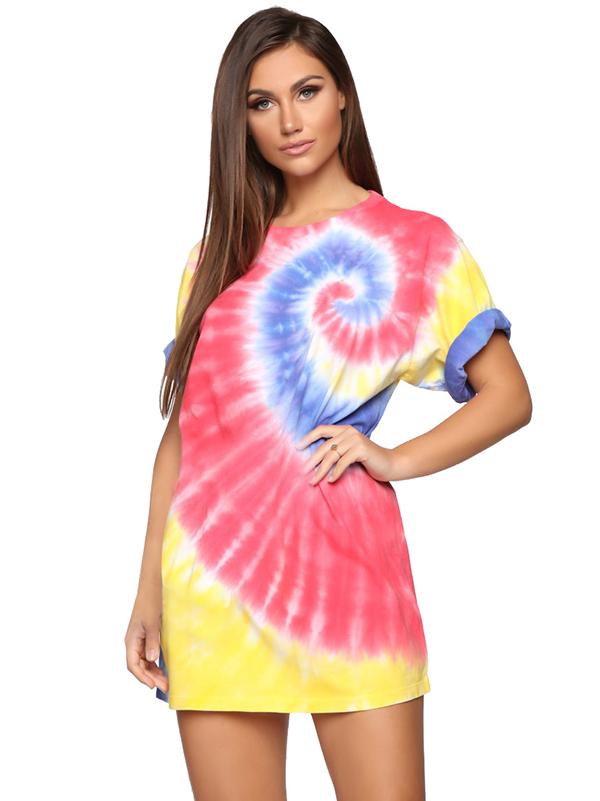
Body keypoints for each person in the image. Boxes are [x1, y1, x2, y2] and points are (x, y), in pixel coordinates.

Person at [124, 7, 532, 800]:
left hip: (350, 587)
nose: (289, 120)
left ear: (343, 94)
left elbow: (508, 395)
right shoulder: (215, 258)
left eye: (306, 91)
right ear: (239, 120)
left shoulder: (416, 243)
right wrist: (148, 592)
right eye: (262, 102)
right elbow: (185, 435)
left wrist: (393, 459)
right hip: (213, 589)